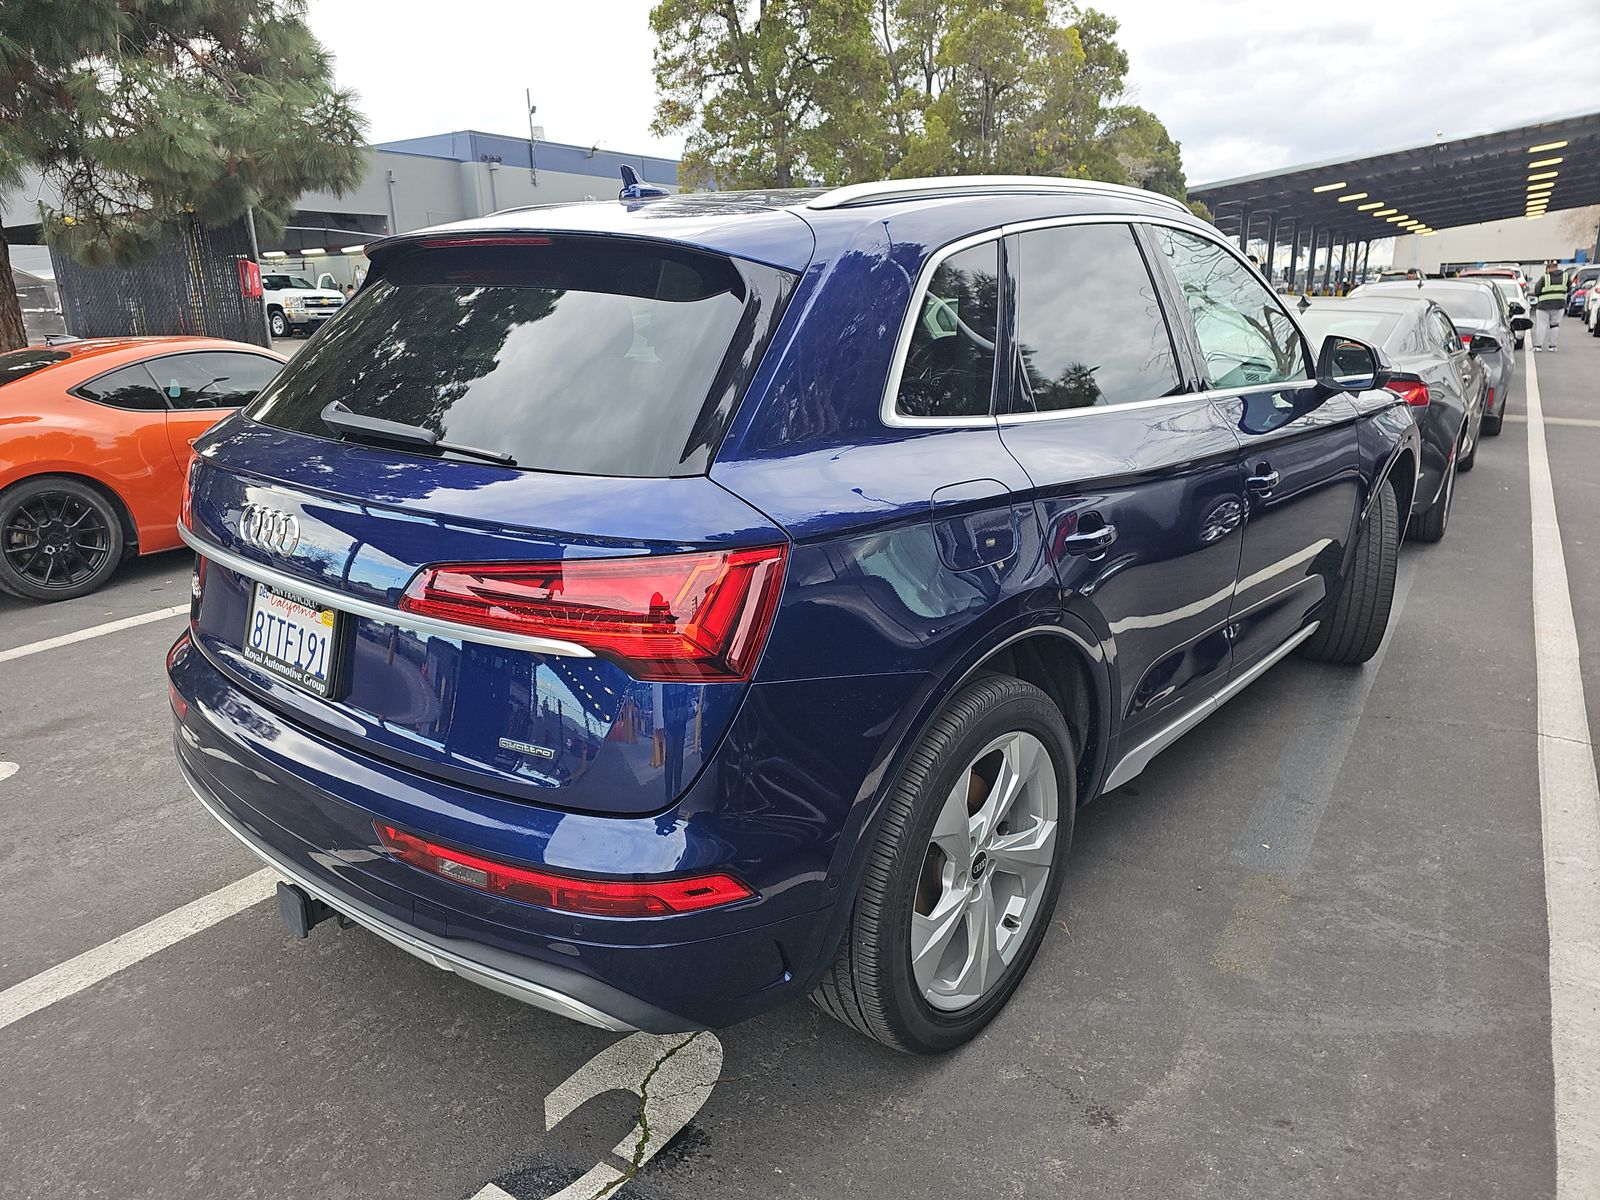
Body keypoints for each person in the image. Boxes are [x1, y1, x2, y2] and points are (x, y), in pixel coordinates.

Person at [1531, 259, 1568, 352]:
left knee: (1541, 325)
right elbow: (1569, 288)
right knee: (1555, 325)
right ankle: (1552, 346)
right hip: (1559, 305)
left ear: (1549, 269)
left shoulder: (1545, 278)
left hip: (1543, 305)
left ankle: (1538, 346)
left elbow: (1537, 291)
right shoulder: (1565, 277)